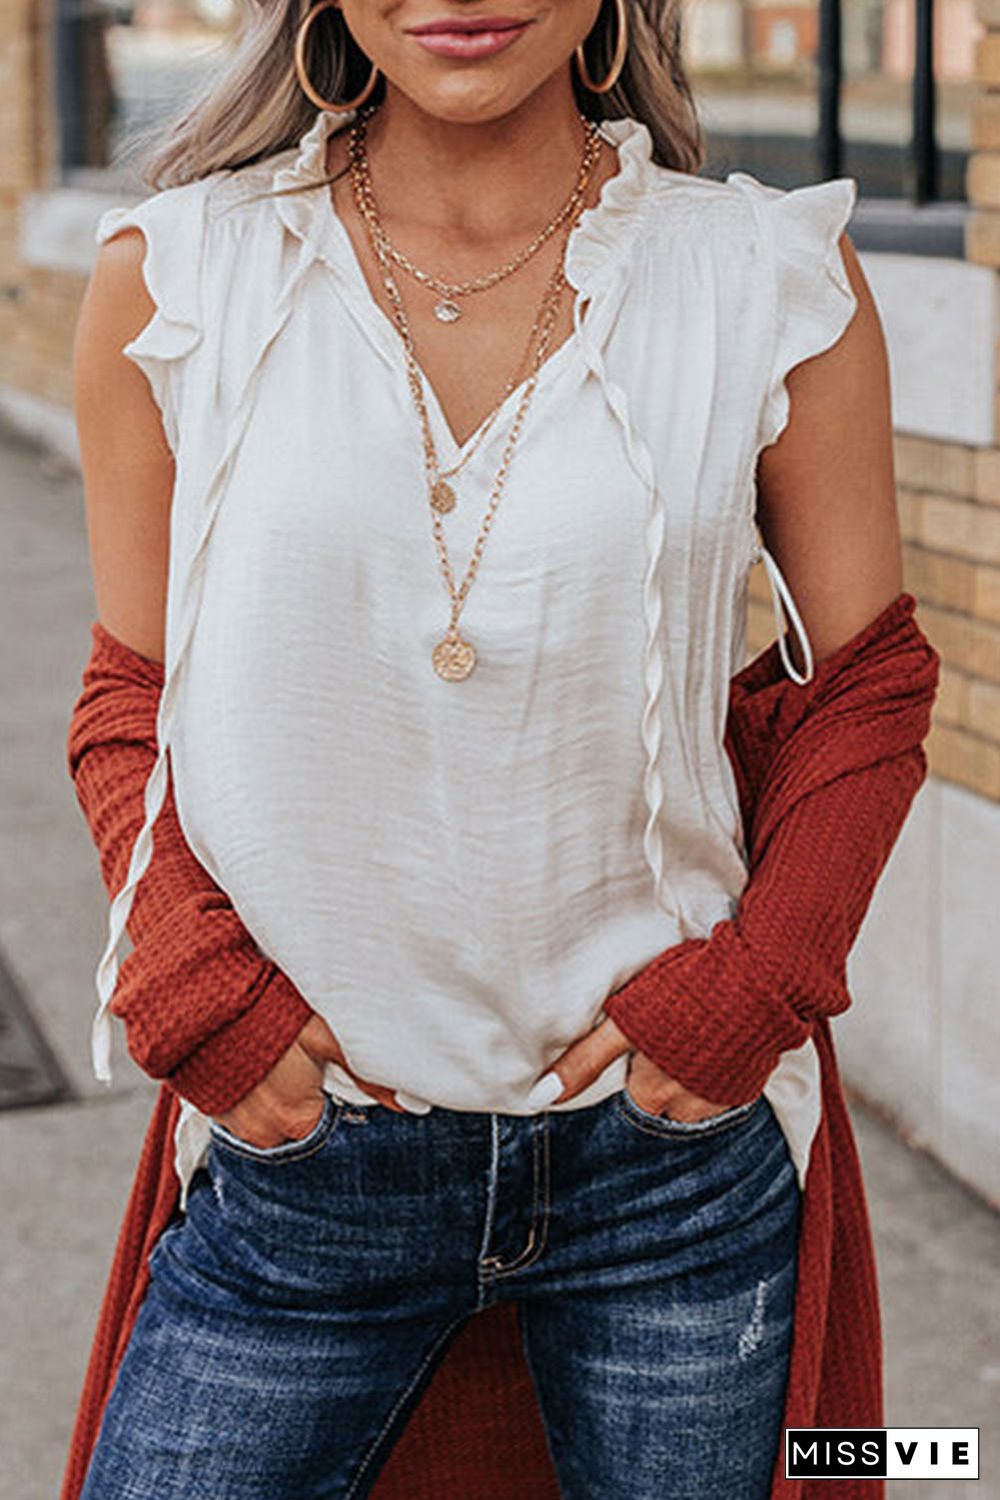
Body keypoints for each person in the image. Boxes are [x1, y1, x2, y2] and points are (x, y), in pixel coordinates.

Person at [67, 1, 933, 1497]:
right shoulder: (179, 279)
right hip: (302, 1164)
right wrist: (195, 990)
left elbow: (868, 683)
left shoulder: (768, 278)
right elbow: (130, 696)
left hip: (669, 1171)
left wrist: (758, 984)